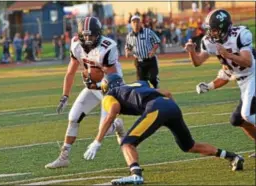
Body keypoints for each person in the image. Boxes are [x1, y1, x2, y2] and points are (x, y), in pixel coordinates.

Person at [83, 73, 244, 185]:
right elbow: (167, 92)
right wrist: (169, 115)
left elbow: (113, 110)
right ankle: (232, 157)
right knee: (189, 146)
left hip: (156, 108)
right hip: (170, 105)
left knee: (127, 143)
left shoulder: (111, 94)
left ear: (106, 87)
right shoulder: (138, 84)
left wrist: (97, 141)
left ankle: (136, 175)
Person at [45, 16, 126, 169]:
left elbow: (112, 76)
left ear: (99, 34)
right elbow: (70, 72)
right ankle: (64, 157)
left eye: (91, 35)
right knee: (73, 117)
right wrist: (65, 96)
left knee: (106, 129)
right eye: (85, 35)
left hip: (109, 89)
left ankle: (116, 126)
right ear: (81, 34)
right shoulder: (76, 45)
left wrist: (95, 77)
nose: (88, 39)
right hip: (92, 88)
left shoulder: (107, 47)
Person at [184, 9, 255, 158]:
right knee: (237, 120)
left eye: (214, 30)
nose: (211, 33)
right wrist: (191, 52)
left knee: (247, 114)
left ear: (224, 28)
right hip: (243, 82)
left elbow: (248, 62)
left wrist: (227, 54)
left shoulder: (240, 35)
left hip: (253, 74)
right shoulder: (209, 42)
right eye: (210, 30)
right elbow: (198, 62)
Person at [196, 65, 256, 158]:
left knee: (247, 115)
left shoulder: (242, 51)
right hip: (247, 90)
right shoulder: (225, 55)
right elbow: (226, 75)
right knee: (237, 119)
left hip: (252, 87)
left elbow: (246, 60)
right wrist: (208, 86)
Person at [125, 15, 161, 88]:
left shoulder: (148, 32)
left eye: (137, 21)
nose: (136, 24)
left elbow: (157, 41)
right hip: (139, 62)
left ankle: (156, 86)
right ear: (131, 24)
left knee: (153, 79)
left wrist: (153, 51)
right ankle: (146, 96)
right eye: (134, 22)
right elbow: (128, 47)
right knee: (141, 83)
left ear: (140, 23)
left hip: (150, 60)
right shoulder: (129, 36)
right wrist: (127, 52)